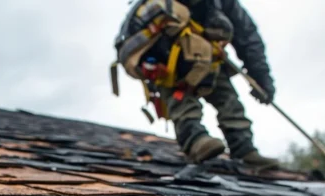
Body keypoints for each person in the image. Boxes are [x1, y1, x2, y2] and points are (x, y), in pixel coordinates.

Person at [114, 0, 279, 170]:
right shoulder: (156, 6)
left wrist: (261, 78)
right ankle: (195, 140)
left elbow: (247, 35)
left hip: (209, 62)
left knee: (229, 101)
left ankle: (244, 149)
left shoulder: (222, 3)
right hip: (170, 68)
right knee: (182, 103)